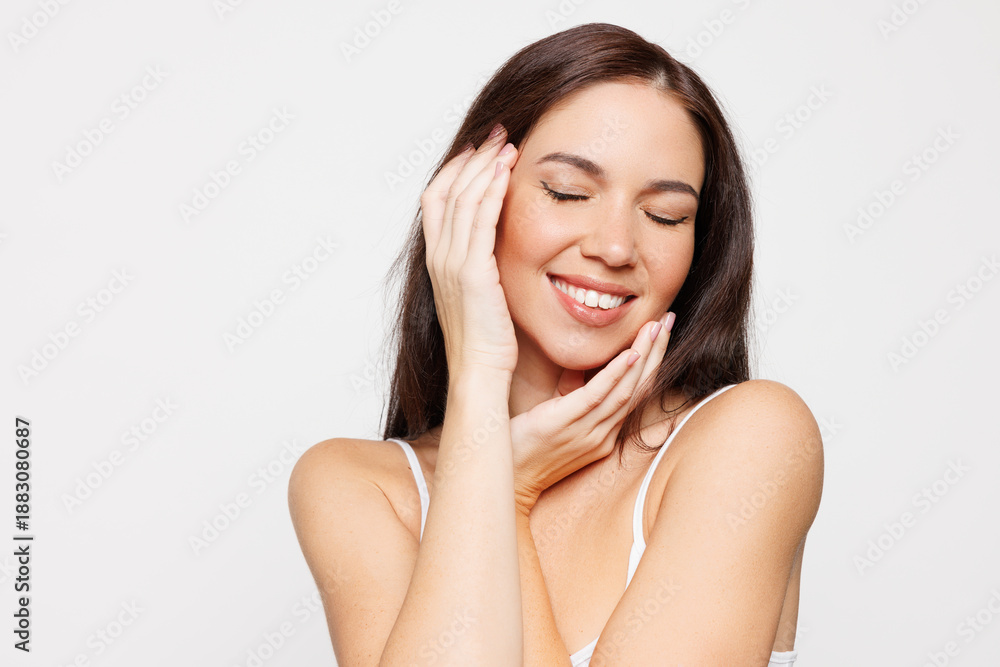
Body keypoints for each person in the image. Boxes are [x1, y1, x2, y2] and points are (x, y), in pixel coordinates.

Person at [289, 22, 824, 666]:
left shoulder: (751, 437)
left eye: (665, 215)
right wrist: (479, 379)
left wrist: (509, 494)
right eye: (568, 192)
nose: (616, 247)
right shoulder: (357, 487)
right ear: (474, 199)